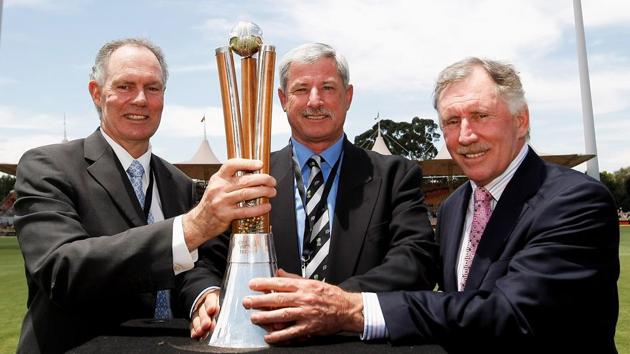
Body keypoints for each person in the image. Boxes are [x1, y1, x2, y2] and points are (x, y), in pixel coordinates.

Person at [242, 57, 620, 352]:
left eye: (480, 116)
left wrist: (353, 309)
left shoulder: (574, 200)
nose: (466, 135)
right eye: (451, 122)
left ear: (521, 120)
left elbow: (512, 314)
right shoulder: (457, 206)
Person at [13, 38, 276, 353]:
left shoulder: (179, 183)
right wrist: (190, 228)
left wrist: (204, 296)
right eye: (125, 86)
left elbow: (188, 265)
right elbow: (61, 270)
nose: (140, 99)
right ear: (96, 93)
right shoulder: (48, 166)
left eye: (153, 88)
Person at [180, 42, 439, 339]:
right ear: (282, 99)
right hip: (262, 338)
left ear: (348, 96)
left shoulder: (395, 176)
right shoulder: (248, 177)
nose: (315, 101)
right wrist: (206, 296)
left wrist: (333, 303)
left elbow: (415, 262)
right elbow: (203, 263)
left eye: (328, 88)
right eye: (301, 90)